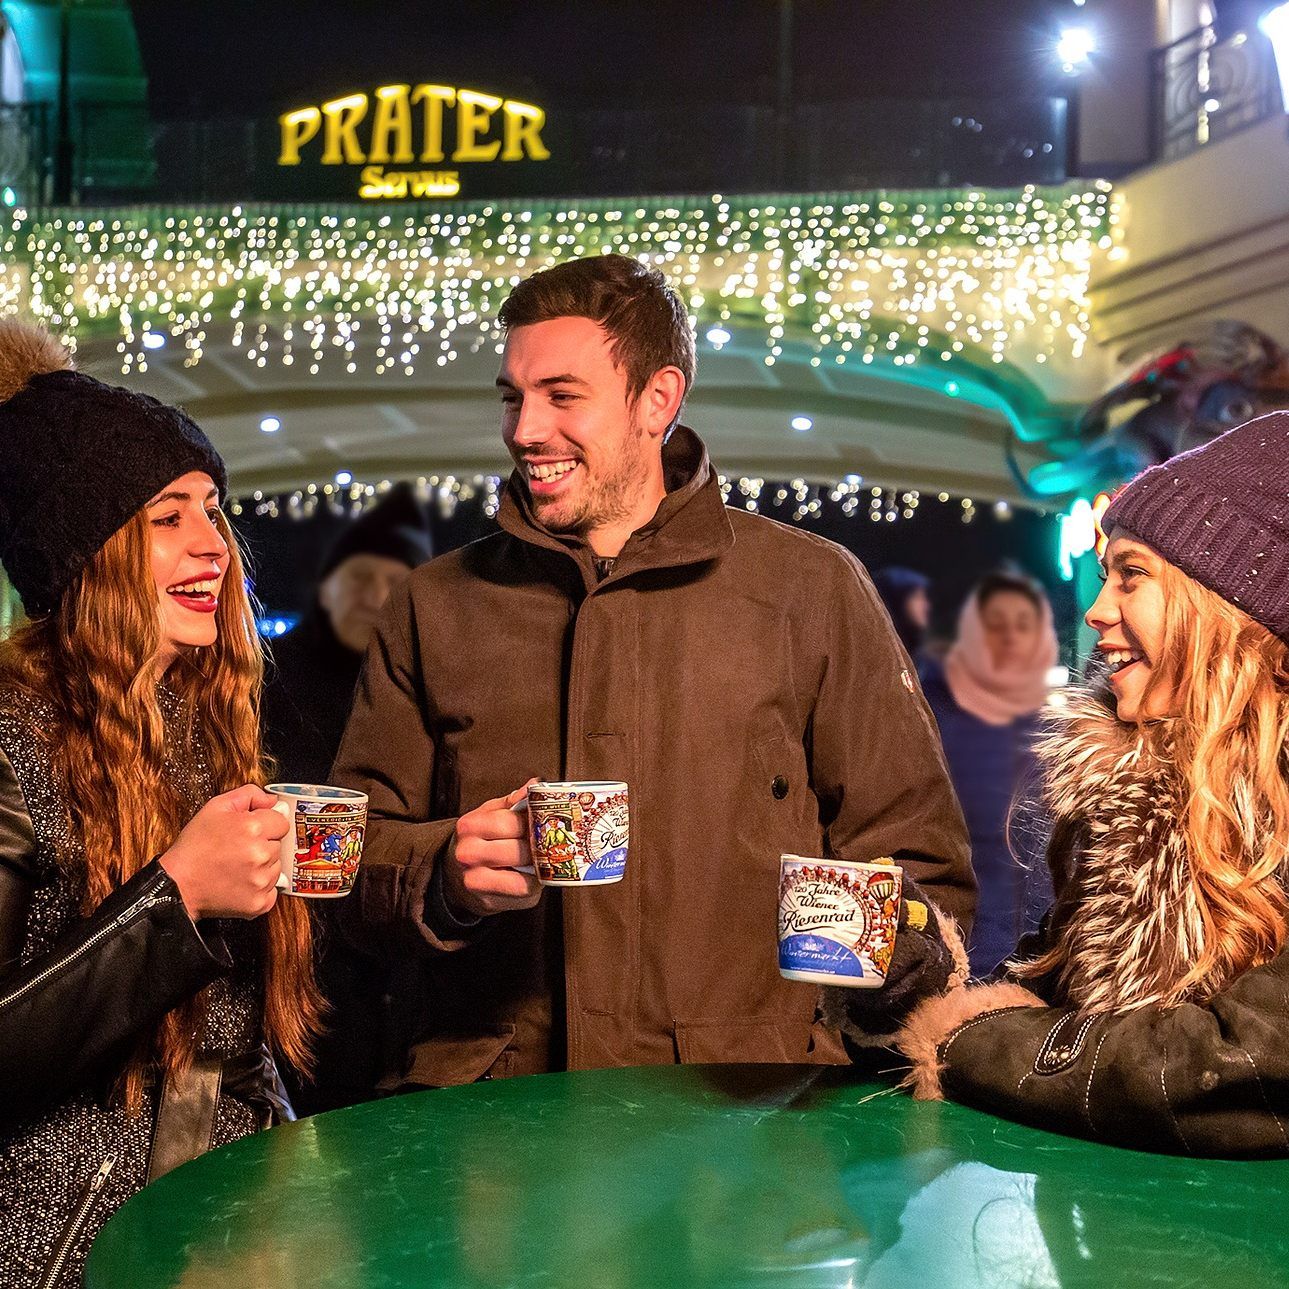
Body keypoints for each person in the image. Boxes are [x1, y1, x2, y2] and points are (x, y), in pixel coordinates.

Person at [333, 252, 975, 1089]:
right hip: (494, 1131)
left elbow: (921, 871)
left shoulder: (808, 589)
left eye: (562, 396)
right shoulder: (435, 604)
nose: (525, 429)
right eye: (513, 396)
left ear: (656, 400)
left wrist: (880, 953)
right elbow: (343, 867)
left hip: (743, 1124)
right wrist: (445, 873)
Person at [0, 321, 321, 1286]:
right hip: (77, 1232)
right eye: (166, 518)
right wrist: (172, 898)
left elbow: (231, 1035)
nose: (213, 546)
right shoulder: (9, 735)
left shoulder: (203, 721)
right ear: (85, 553)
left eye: (214, 512)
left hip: (237, 1205)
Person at [896, 410, 1289, 1157]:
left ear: (1230, 602)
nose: (1095, 609)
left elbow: (1245, 1066)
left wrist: (971, 1041)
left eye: (1130, 573)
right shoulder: (1131, 787)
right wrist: (909, 974)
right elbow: (1047, 997)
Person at [918, 571, 1058, 974]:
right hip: (948, 951)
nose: (1012, 637)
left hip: (1032, 965)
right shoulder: (929, 717)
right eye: (997, 623)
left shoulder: (1058, 729)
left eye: (1024, 624)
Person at [263, 482, 433, 786]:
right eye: (360, 577)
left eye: (394, 583)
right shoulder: (262, 677)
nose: (375, 597)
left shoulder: (431, 686)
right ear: (326, 590)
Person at [872, 566, 932, 661]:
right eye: (917, 597)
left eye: (923, 597)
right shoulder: (870, 660)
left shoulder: (927, 667)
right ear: (895, 602)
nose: (926, 606)